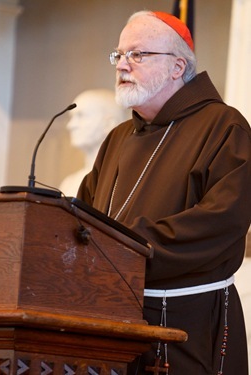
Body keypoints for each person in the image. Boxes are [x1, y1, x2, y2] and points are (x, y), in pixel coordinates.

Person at [76, 10, 251, 375]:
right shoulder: (118, 138)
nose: (122, 65)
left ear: (176, 67)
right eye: (119, 55)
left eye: (137, 54)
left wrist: (127, 247)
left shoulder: (223, 126)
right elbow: (82, 216)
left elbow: (223, 220)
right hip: (108, 320)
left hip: (186, 327)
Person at [60, 89, 128, 196]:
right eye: (72, 117)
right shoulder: (69, 183)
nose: (70, 125)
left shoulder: (123, 180)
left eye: (81, 116)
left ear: (109, 123)